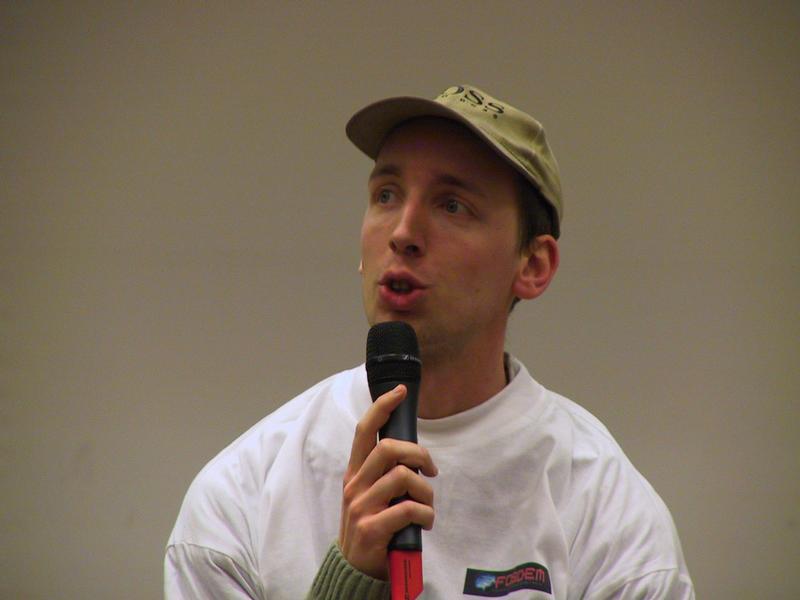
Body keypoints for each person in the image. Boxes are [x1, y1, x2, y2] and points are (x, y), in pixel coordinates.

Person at [165, 84, 694, 599]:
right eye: (386, 195)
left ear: (532, 265)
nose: (403, 231)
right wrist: (347, 582)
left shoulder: (610, 516)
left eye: (452, 205)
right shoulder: (240, 497)